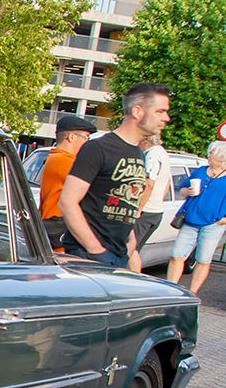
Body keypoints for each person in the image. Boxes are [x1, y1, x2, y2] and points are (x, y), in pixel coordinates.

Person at [58, 82, 169, 268]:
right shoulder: (97, 148)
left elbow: (129, 201)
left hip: (119, 254)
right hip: (89, 256)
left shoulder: (138, 153)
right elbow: (67, 201)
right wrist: (95, 250)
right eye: (160, 111)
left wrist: (131, 239)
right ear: (138, 111)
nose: (166, 118)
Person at [164, 140, 226, 294]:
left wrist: (223, 220)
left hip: (213, 224)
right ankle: (170, 290)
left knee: (203, 259)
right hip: (190, 220)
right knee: (177, 255)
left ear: (221, 158)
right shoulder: (200, 171)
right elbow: (183, 189)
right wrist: (188, 192)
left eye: (212, 154)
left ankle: (192, 293)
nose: (209, 156)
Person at [38, 114, 97, 249]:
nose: (87, 142)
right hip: (59, 232)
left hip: (54, 230)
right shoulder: (65, 161)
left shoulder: (54, 157)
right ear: (71, 137)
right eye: (86, 137)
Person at [129, 134, 172, 271]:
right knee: (135, 247)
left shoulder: (152, 155)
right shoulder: (163, 153)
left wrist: (139, 208)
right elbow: (167, 184)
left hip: (146, 210)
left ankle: (134, 278)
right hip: (156, 209)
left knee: (130, 246)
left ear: (145, 140)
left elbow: (149, 184)